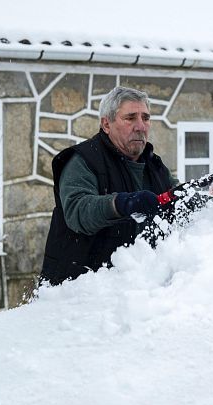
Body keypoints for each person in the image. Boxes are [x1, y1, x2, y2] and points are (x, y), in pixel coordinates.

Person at [40, 86, 178, 285]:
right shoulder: (83, 160)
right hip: (77, 293)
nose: (141, 126)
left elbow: (178, 197)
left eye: (145, 118)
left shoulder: (154, 166)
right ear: (106, 124)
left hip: (138, 293)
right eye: (130, 118)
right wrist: (121, 204)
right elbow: (78, 211)